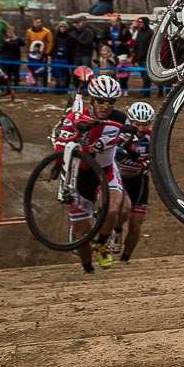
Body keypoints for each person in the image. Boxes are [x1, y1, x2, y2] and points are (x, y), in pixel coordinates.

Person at [52, 74, 129, 272]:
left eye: (110, 102)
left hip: (106, 171)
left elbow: (135, 135)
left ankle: (102, 244)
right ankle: (88, 268)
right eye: (101, 101)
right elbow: (59, 150)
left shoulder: (120, 118)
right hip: (79, 177)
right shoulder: (75, 118)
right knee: (82, 234)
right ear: (92, 100)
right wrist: (87, 149)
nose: (106, 106)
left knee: (113, 209)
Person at [111, 101, 155, 263]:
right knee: (122, 212)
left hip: (139, 182)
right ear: (130, 121)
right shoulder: (122, 134)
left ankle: (125, 259)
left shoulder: (152, 137)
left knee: (136, 226)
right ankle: (116, 230)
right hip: (120, 179)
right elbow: (114, 153)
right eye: (137, 124)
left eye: (145, 124)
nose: (141, 129)